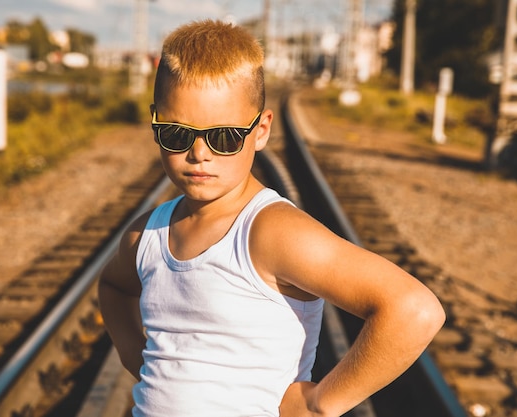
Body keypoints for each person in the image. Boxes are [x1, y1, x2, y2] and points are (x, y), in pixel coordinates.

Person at [98, 19, 445, 417]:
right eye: (177, 134)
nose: (199, 153)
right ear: (155, 122)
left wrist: (321, 402)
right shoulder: (147, 234)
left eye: (224, 136)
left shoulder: (271, 232)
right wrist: (138, 358)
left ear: (260, 131)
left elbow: (414, 310)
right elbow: (113, 285)